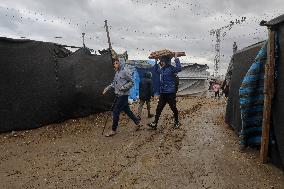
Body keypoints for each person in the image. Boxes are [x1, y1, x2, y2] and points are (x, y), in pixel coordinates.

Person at [102, 58, 142, 137]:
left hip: (123, 95)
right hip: (118, 94)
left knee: (115, 111)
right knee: (127, 111)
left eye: (116, 63)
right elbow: (114, 83)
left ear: (121, 63)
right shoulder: (117, 73)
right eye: (114, 63)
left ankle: (113, 130)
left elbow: (132, 82)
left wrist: (124, 87)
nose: (114, 64)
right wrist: (107, 88)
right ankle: (138, 122)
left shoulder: (125, 72)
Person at [148, 52, 182, 129]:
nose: (161, 63)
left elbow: (179, 68)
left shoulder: (171, 69)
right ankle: (155, 123)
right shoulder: (162, 70)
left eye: (162, 61)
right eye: (160, 62)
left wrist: (176, 58)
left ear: (166, 62)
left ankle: (177, 122)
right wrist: (156, 61)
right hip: (163, 93)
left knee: (173, 108)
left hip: (170, 93)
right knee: (158, 108)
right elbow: (156, 70)